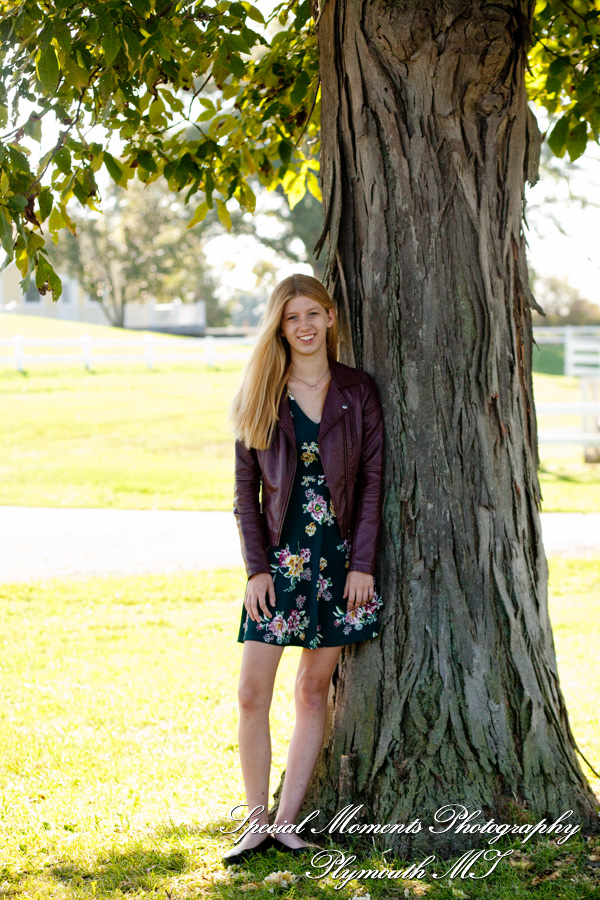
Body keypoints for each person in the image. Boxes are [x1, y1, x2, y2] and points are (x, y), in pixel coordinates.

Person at [224, 273, 384, 865]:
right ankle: (254, 823)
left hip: (341, 566)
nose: (304, 326)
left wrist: (362, 565)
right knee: (251, 694)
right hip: (278, 566)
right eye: (292, 317)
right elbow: (245, 495)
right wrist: (255, 570)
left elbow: (373, 484)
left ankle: (287, 824)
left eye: (313, 313)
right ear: (280, 326)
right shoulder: (262, 393)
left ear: (330, 317)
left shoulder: (357, 391)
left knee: (313, 691)